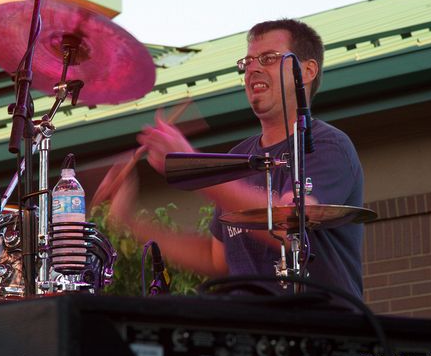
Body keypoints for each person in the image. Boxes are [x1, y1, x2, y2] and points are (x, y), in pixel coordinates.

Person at [106, 19, 365, 300]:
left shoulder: (328, 145)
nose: (252, 68)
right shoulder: (238, 158)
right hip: (251, 323)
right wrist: (130, 223)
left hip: (320, 324)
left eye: (267, 58)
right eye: (248, 62)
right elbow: (217, 259)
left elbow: (290, 227)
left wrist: (194, 167)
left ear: (306, 71)